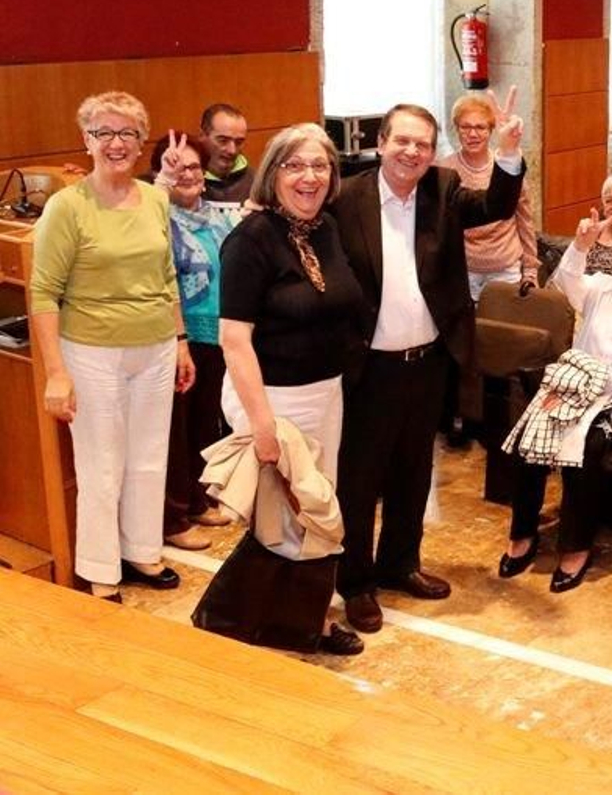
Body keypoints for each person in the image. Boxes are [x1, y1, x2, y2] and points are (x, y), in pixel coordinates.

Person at [329, 95, 525, 633]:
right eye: (402, 141)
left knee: (414, 471)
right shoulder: (346, 197)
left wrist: (509, 152)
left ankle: (400, 563)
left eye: (422, 144)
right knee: (359, 480)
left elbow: (496, 206)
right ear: (380, 144)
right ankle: (355, 582)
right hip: (367, 368)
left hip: (428, 362)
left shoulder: (442, 188)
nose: (412, 152)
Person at [31, 91, 194, 603]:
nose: (115, 143)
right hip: (91, 351)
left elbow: (166, 276)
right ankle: (101, 569)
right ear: (87, 141)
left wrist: (181, 340)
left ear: (141, 142)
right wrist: (56, 372)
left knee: (149, 456)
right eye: (104, 133)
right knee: (101, 464)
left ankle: (141, 551)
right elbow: (43, 292)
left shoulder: (155, 198)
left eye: (127, 133)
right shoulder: (67, 206)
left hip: (156, 346)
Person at [214, 122, 367, 654]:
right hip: (272, 399)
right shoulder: (250, 239)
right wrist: (262, 427)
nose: (309, 177)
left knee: (317, 512)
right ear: (272, 174)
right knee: (283, 520)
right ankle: (251, 622)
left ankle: (303, 621)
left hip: (325, 393)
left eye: (320, 165)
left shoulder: (326, 228)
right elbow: (234, 341)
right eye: (295, 165)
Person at [501, 216, 612, 591]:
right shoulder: (601, 288)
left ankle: (576, 547)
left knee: (589, 446)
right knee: (530, 434)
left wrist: (584, 385)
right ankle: (523, 534)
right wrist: (580, 245)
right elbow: (566, 281)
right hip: (575, 390)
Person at [149, 131, 235, 551]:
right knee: (176, 431)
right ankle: (173, 517)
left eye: (194, 167)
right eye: (176, 166)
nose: (187, 174)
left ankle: (198, 499)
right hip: (177, 337)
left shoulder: (218, 217)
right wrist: (180, 337)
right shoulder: (155, 219)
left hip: (217, 336)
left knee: (206, 424)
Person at [434, 93, 539, 300]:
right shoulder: (445, 169)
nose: (472, 134)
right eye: (465, 127)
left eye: (480, 127)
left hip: (506, 268)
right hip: (464, 269)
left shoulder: (508, 168)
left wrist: (530, 269)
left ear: (491, 130)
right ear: (456, 129)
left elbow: (525, 219)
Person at [200, 103, 254, 203]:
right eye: (223, 140)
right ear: (202, 136)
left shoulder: (257, 184)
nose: (232, 150)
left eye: (238, 142)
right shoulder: (185, 182)